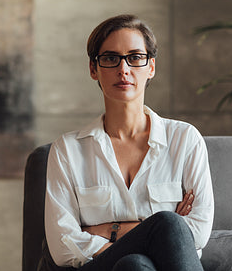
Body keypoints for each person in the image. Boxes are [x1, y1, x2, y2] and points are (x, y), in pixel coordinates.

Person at [40, 14, 214, 271]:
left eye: (135, 57)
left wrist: (108, 230)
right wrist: (157, 231)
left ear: (151, 67)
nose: (124, 69)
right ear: (93, 69)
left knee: (135, 265)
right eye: (111, 58)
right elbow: (62, 246)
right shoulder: (67, 150)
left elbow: (198, 231)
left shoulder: (185, 140)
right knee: (168, 225)